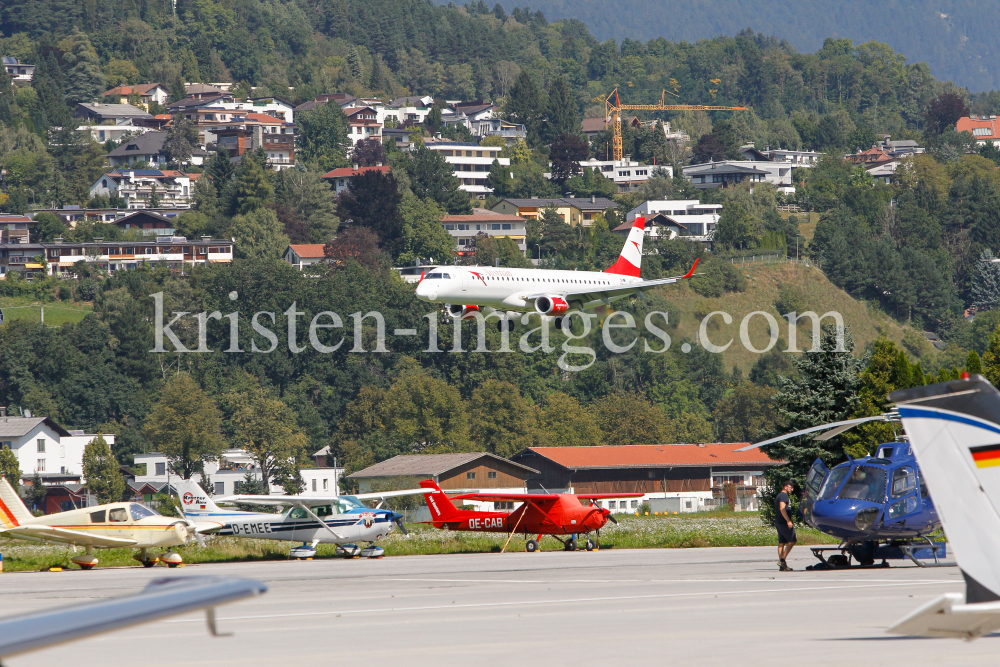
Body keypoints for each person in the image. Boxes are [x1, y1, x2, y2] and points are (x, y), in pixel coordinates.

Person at [775, 480, 796, 571]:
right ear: (785, 486)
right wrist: (788, 520)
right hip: (783, 523)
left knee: (782, 543)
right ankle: (782, 559)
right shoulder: (783, 495)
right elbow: (782, 508)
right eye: (790, 487)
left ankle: (782, 566)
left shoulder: (780, 495)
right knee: (792, 541)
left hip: (779, 522)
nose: (792, 489)